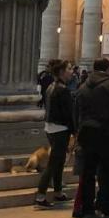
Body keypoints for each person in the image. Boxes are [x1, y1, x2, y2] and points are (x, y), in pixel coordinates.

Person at [74, 58, 109, 218]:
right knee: (108, 173)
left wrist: (78, 132)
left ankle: (89, 212)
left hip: (86, 133)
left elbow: (77, 112)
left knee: (88, 174)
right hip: (105, 133)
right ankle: (108, 210)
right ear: (108, 69)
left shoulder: (82, 87)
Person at [35, 61, 75, 208]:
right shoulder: (63, 90)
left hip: (51, 127)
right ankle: (40, 196)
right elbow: (68, 113)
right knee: (53, 164)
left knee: (58, 161)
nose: (72, 71)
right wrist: (74, 131)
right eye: (69, 69)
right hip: (60, 129)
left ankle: (58, 192)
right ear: (62, 72)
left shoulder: (51, 87)